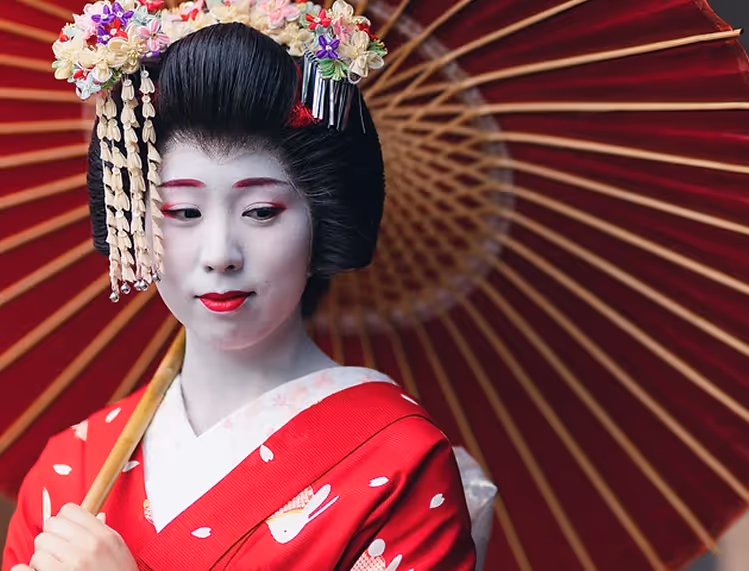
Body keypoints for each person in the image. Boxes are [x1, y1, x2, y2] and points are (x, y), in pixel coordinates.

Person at [2, 1, 477, 569]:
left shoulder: (398, 461)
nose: (220, 255)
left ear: (321, 217)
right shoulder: (70, 473)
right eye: (181, 211)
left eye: (260, 211)